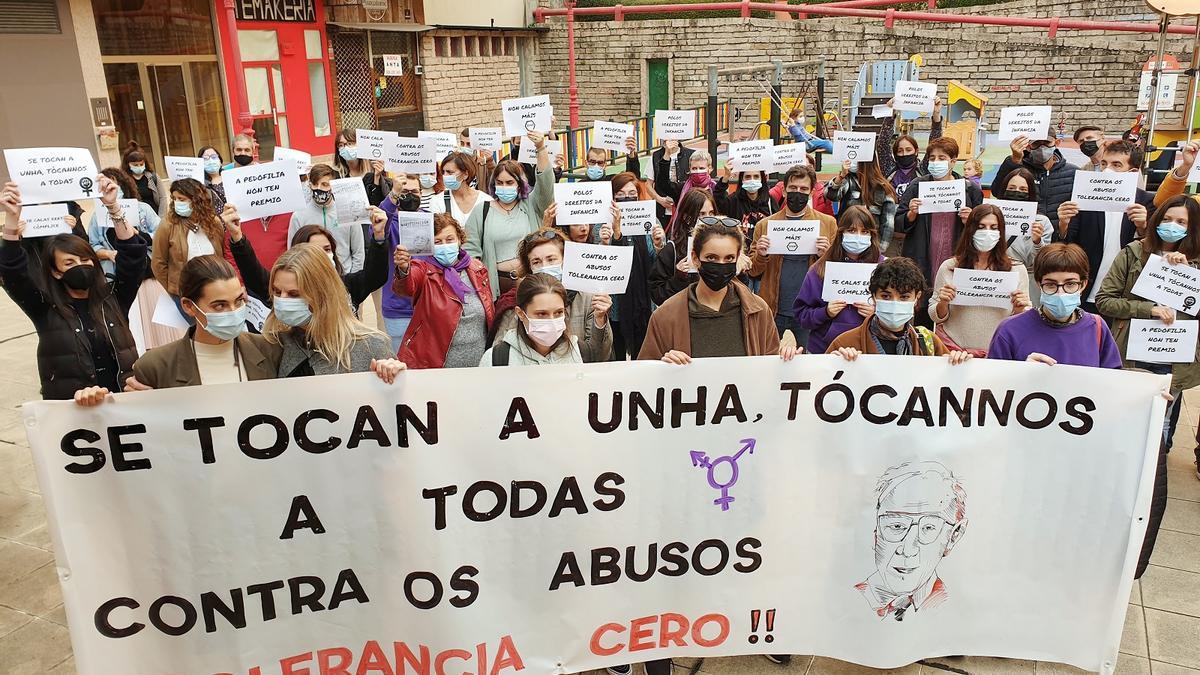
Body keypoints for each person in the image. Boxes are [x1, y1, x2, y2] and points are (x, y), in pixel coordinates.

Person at [1, 179, 145, 400]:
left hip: (124, 402)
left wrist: (113, 207)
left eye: (86, 259)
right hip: (72, 410)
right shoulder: (44, 307)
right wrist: (11, 223)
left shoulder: (114, 297)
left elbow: (133, 257)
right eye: (69, 263)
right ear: (56, 272)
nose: (81, 265)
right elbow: (13, 273)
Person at [1095, 195, 1200, 449]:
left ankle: (1154, 480)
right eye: (1166, 218)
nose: (1172, 225)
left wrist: (1188, 274)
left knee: (1161, 425)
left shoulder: (1196, 263)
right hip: (1131, 353)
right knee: (1121, 420)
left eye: (1181, 222)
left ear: (1192, 227)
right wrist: (1149, 309)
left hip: (1174, 360)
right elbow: (1104, 300)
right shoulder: (1132, 252)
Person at [639, 216, 797, 363]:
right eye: (711, 258)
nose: (720, 265)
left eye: (729, 258)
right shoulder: (665, 316)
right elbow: (644, 377)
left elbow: (770, 370)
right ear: (695, 258)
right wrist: (663, 365)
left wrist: (788, 362)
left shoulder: (759, 311)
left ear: (737, 258)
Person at [127, 255, 280, 388]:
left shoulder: (271, 350)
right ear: (189, 306)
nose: (233, 311)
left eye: (239, 301)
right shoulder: (156, 367)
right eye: (220, 305)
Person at [263, 243, 398, 377]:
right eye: (277, 292)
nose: (282, 300)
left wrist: (394, 373)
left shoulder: (371, 346)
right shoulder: (275, 346)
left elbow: (397, 395)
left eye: (294, 294)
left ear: (322, 294)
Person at [855, 460, 967, 621]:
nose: (907, 549)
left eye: (928, 528)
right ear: (876, 531)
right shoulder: (847, 597)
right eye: (896, 525)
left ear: (953, 536)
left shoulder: (956, 611)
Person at [1055, 140, 1153, 313]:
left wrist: (1143, 227)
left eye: (1116, 165)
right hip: (1086, 293)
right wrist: (1063, 224)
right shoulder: (1084, 197)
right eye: (1104, 163)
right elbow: (1067, 243)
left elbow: (1153, 250)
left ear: (1132, 172)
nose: (1107, 170)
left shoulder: (1146, 202)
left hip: (1125, 298)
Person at [987, 243, 1121, 367]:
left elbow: (1112, 382)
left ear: (1083, 284)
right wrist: (1022, 372)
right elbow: (992, 383)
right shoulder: (1010, 330)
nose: (1060, 293)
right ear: (1039, 285)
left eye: (1070, 284)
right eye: (1051, 285)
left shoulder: (1097, 328)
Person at [490, 228, 613, 362]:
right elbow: (499, 355)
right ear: (529, 268)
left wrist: (600, 320)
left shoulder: (588, 298)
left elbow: (599, 355)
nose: (545, 266)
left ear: (565, 260)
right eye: (536, 262)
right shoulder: (518, 301)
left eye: (551, 259)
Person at [393, 213, 495, 369]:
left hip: (478, 362)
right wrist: (404, 268)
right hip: (438, 364)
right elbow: (406, 286)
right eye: (437, 242)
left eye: (449, 240)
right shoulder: (423, 269)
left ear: (459, 240)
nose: (444, 245)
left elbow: (489, 312)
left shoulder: (477, 268)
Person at [749, 164, 837, 345]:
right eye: (793, 188)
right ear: (784, 190)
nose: (798, 193)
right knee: (769, 358)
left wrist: (825, 255)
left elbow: (835, 273)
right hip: (774, 308)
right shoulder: (765, 225)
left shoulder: (828, 224)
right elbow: (753, 271)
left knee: (807, 364)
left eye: (804, 189)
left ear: (812, 192)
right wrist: (761, 254)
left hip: (809, 309)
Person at [928, 204, 1031, 356]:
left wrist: (1020, 308)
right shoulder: (950, 267)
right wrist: (943, 302)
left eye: (993, 227)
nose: (987, 232)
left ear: (1001, 232)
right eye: (981, 227)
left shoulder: (1017, 269)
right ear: (970, 229)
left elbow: (1024, 318)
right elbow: (935, 315)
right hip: (954, 353)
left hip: (998, 353)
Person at [464, 131, 555, 298]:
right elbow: (469, 250)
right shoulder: (481, 211)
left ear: (520, 184)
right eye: (500, 183)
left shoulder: (530, 205)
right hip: (496, 286)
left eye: (509, 182)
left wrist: (541, 148)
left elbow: (545, 185)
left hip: (531, 282)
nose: (504, 186)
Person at [828, 257, 969, 363]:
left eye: (904, 297)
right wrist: (835, 363)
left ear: (916, 298)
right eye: (886, 296)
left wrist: (956, 362)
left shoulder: (929, 343)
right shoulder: (845, 343)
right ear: (874, 297)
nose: (895, 303)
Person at [894, 137, 982, 290]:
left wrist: (970, 221)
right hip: (923, 256)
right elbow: (899, 223)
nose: (936, 162)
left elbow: (981, 229)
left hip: (956, 256)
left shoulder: (970, 190)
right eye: (932, 158)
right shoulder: (917, 185)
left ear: (953, 161)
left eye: (942, 158)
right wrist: (911, 213)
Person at [793, 205, 883, 355]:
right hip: (825, 350)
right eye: (852, 231)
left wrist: (877, 313)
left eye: (864, 231)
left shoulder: (883, 267)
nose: (858, 236)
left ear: (872, 235)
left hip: (870, 351)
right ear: (841, 233)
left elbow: (899, 310)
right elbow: (801, 315)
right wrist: (825, 312)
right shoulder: (820, 269)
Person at [607, 171, 661, 360]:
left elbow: (658, 262)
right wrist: (614, 236)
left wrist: (659, 245)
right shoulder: (603, 223)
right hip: (617, 303)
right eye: (620, 195)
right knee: (618, 351)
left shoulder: (651, 221)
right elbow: (602, 263)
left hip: (644, 300)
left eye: (631, 194)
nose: (626, 199)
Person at [150, 178, 231, 298]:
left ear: (196, 200)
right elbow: (158, 263)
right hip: (185, 293)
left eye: (181, 199)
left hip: (215, 287)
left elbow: (224, 254)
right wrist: (174, 290)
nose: (177, 202)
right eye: (174, 198)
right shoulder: (167, 225)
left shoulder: (214, 222)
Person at [480, 273, 583, 366]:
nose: (552, 321)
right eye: (542, 314)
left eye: (558, 312)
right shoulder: (496, 359)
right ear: (520, 313)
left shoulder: (582, 353)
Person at [224, 134, 292, 268]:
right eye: (239, 150)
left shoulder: (264, 174)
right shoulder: (225, 178)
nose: (243, 153)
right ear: (233, 151)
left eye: (247, 150)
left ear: (253, 151)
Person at [992, 131, 1077, 235]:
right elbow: (997, 192)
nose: (1042, 148)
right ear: (1028, 146)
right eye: (1036, 144)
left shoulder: (1073, 172)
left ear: (1057, 142)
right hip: (1025, 235)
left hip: (1061, 238)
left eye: (1046, 143)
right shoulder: (1018, 167)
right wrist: (1014, 161)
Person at [288, 164, 366, 274]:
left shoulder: (348, 212)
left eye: (325, 184)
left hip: (344, 277)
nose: (319, 188)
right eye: (315, 184)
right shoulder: (299, 216)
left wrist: (353, 279)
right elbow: (293, 253)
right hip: (313, 280)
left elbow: (358, 251)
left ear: (333, 186)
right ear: (310, 185)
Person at [992, 168, 1053, 307]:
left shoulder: (1041, 222)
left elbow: (1042, 263)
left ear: (1030, 193)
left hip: (1027, 285)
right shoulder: (991, 217)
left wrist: (1037, 242)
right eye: (1012, 188)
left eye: (1023, 190)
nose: (1017, 192)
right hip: (995, 281)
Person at [88, 167, 160, 279]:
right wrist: (108, 254)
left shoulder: (143, 209)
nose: (108, 189)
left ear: (122, 185)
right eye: (104, 186)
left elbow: (161, 237)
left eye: (111, 184)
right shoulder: (97, 216)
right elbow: (93, 245)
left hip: (147, 272)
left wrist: (138, 233)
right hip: (116, 273)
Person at [648, 188, 715, 306]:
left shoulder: (722, 247)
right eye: (701, 214)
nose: (708, 219)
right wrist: (678, 278)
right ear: (686, 217)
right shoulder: (672, 250)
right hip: (682, 318)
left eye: (711, 213)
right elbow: (657, 294)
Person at [826, 156, 897, 249]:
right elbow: (831, 195)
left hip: (871, 246)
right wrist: (841, 176)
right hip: (845, 245)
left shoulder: (883, 188)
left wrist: (880, 249)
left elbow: (888, 224)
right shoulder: (847, 181)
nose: (851, 162)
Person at [877, 97, 943, 197]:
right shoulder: (889, 168)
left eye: (908, 150)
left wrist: (936, 115)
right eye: (900, 151)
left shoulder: (923, 169)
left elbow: (935, 144)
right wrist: (891, 114)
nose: (904, 154)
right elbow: (882, 144)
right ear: (895, 153)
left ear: (916, 151)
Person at [714, 160, 778, 238]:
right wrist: (726, 176)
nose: (752, 180)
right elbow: (718, 202)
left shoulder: (770, 201)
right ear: (742, 179)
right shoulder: (734, 201)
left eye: (756, 176)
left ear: (762, 179)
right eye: (748, 177)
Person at [332, 128, 392, 206]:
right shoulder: (336, 175)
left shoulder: (375, 169)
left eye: (350, 143)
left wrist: (377, 177)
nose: (346, 148)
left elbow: (378, 202)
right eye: (341, 145)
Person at [431, 151, 492, 224]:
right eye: (443, 172)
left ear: (465, 174)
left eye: (450, 172)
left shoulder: (485, 201)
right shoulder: (437, 201)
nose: (445, 176)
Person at [121, 141, 164, 214]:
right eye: (135, 165)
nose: (139, 167)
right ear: (128, 164)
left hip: (154, 215)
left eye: (141, 164)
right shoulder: (123, 180)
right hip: (135, 217)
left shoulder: (153, 177)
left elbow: (163, 198)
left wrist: (161, 217)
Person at [198, 146, 227, 213]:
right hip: (214, 221)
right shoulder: (200, 184)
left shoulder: (230, 177)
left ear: (220, 160)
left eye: (214, 157)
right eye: (205, 158)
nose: (210, 161)